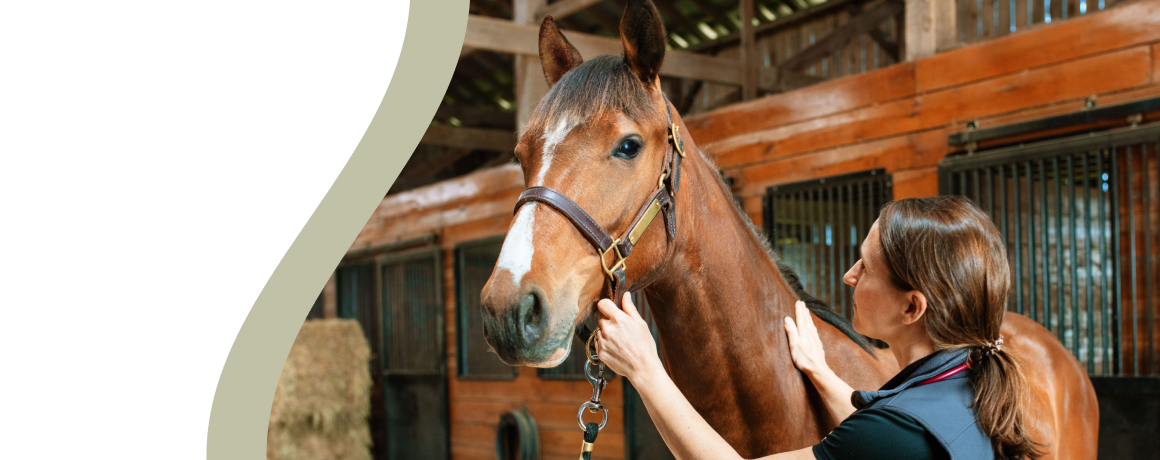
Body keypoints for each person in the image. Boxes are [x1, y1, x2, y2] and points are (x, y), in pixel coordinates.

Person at [594, 196, 1041, 460]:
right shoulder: (967, 381)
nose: (849, 275)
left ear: (912, 308)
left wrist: (645, 369)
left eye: (866, 267)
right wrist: (820, 372)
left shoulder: (897, 432)